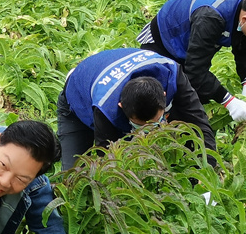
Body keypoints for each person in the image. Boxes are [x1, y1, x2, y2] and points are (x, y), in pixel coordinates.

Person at [137, 0, 246, 123]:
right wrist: (229, 101)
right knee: (159, 101)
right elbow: (196, 71)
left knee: (194, 99)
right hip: (162, 40)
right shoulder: (210, 18)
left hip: (190, 44)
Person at [57, 48, 217, 170]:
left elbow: (200, 125)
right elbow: (109, 162)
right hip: (79, 96)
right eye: (140, 125)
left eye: (156, 121)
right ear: (121, 106)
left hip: (108, 69)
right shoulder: (106, 109)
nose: (149, 130)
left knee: (182, 139)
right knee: (75, 174)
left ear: (164, 95)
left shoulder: (172, 73)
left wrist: (207, 172)